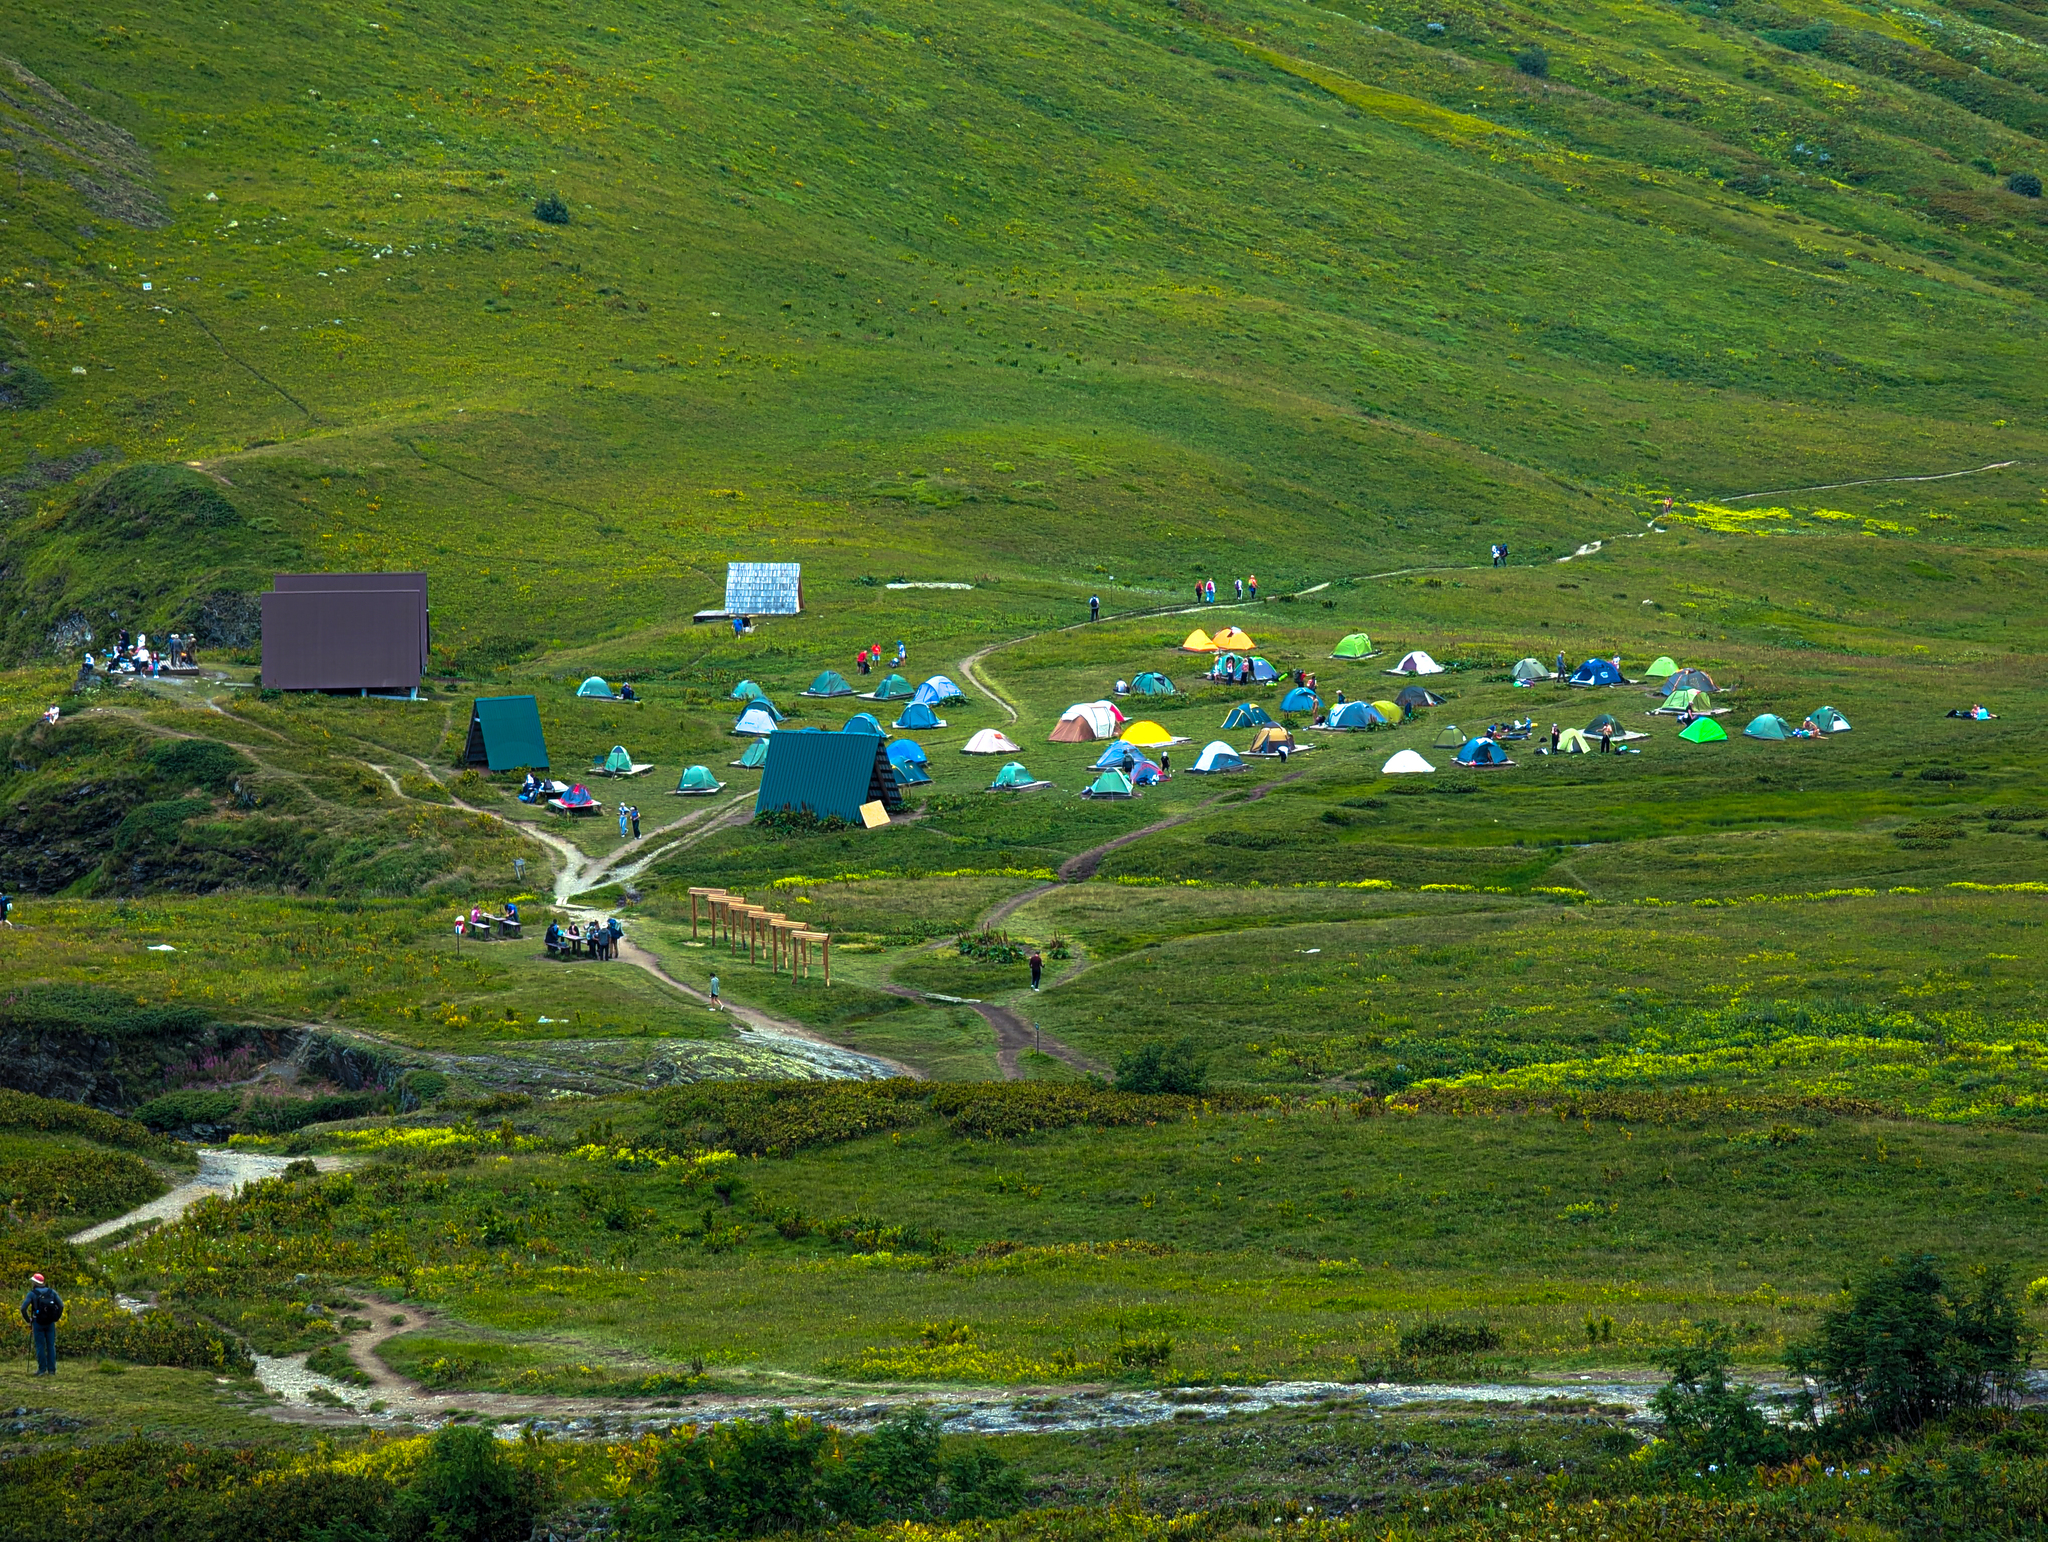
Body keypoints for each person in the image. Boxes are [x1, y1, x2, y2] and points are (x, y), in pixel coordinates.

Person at [21, 1273, 61, 1375]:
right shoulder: (51, 1292)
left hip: (38, 1322)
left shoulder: (32, 1294)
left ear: (35, 1282)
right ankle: (52, 1370)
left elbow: (23, 1308)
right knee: (51, 1346)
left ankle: (41, 1370)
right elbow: (61, 1305)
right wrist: (56, 1317)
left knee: (40, 1346)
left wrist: (28, 1320)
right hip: (50, 1322)